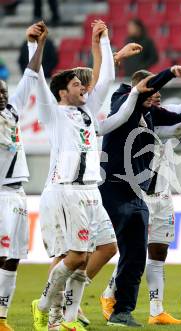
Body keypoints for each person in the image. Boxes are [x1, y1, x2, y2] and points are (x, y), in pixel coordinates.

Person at [29, 21, 140, 331]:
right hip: (68, 190)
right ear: (63, 91)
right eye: (78, 84)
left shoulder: (88, 110)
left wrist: (102, 39)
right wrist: (34, 46)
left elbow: (105, 76)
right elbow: (37, 78)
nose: (85, 87)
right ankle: (47, 307)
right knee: (76, 256)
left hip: (93, 192)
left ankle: (66, 317)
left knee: (107, 247)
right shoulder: (53, 114)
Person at [99, 51, 181, 325]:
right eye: (152, 90)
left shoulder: (154, 116)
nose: (157, 95)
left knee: (147, 252)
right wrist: (169, 73)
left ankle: (144, 310)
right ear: (140, 90)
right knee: (113, 250)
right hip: (117, 188)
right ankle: (92, 298)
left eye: (158, 92)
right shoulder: (122, 104)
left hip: (149, 192)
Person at [0, 22, 46, 331]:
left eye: (3, 90)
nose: (3, 94)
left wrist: (36, 45)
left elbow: (29, 79)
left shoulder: (11, 114)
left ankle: (1, 318)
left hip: (17, 192)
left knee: (13, 256)